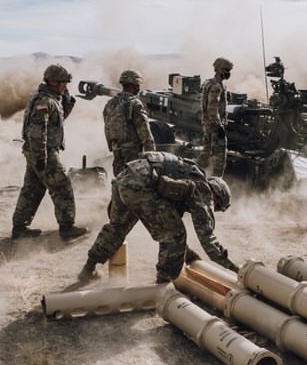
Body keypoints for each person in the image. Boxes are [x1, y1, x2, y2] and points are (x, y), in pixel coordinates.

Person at [78, 151, 238, 283]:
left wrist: (188, 256)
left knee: (117, 227)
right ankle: (163, 283)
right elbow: (208, 241)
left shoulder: (188, 175)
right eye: (216, 207)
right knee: (175, 234)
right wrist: (235, 269)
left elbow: (165, 220)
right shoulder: (203, 191)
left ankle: (89, 268)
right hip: (142, 185)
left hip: (124, 179)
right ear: (217, 196)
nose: (213, 209)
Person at [11, 63, 89, 241]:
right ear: (53, 82)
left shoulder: (46, 98)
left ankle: (20, 228)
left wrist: (67, 103)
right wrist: (41, 158)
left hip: (36, 151)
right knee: (62, 187)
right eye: (63, 83)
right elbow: (38, 131)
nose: (65, 86)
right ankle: (67, 228)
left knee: (32, 189)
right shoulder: (44, 101)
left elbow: (56, 122)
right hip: (43, 151)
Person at [103, 69, 156, 176]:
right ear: (135, 86)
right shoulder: (135, 104)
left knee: (119, 181)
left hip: (117, 150)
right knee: (133, 186)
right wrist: (153, 157)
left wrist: (112, 147)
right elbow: (145, 133)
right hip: (132, 154)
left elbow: (107, 127)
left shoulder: (110, 103)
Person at [198, 57, 233, 177]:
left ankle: (193, 174)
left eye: (229, 70)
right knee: (220, 158)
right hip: (214, 126)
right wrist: (219, 128)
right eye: (225, 70)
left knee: (206, 153)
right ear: (218, 70)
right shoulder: (216, 86)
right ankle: (217, 182)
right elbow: (212, 109)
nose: (228, 73)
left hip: (207, 125)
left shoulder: (208, 82)